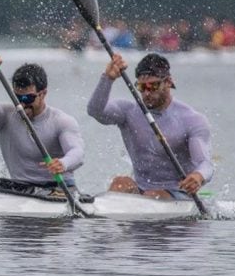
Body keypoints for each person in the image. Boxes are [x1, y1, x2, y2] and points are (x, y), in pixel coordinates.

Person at [87, 53, 213, 199]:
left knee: (153, 194)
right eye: (141, 87)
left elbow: (205, 163)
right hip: (142, 188)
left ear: (168, 82)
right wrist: (107, 79)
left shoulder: (191, 119)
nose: (146, 93)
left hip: (178, 191)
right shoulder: (128, 111)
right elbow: (95, 111)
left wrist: (198, 176)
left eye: (153, 86)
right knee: (120, 183)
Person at [0, 49, 85, 196]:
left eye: (28, 99)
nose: (21, 104)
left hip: (58, 188)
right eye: (17, 98)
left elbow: (77, 153)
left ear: (43, 94)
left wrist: (63, 163)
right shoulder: (5, 116)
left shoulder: (61, 121)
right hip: (21, 189)